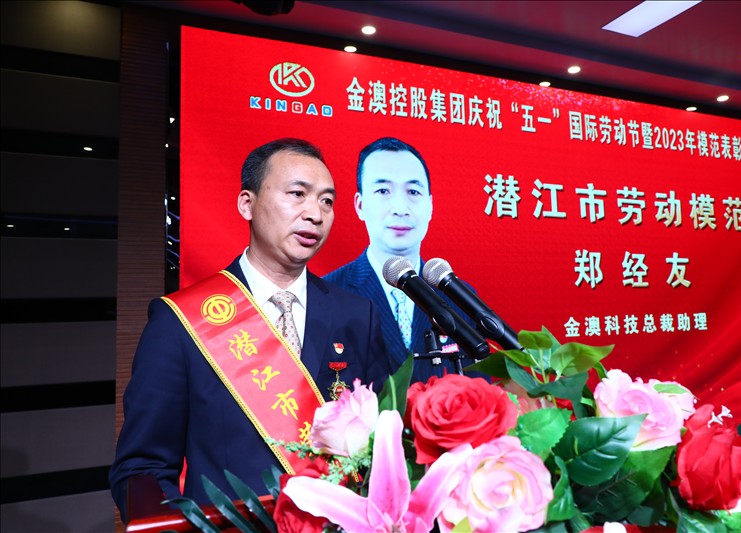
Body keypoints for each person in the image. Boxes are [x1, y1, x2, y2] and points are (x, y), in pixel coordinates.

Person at [109, 138, 390, 522]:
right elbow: (142, 469)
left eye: (327, 201)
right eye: (297, 194)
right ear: (247, 204)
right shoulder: (180, 322)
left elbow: (384, 445)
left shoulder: (357, 315)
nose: (315, 214)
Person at [325, 137, 483, 383]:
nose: (400, 207)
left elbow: (479, 390)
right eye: (383, 191)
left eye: (413, 192)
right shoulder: (327, 294)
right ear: (360, 205)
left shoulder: (458, 296)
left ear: (430, 206)